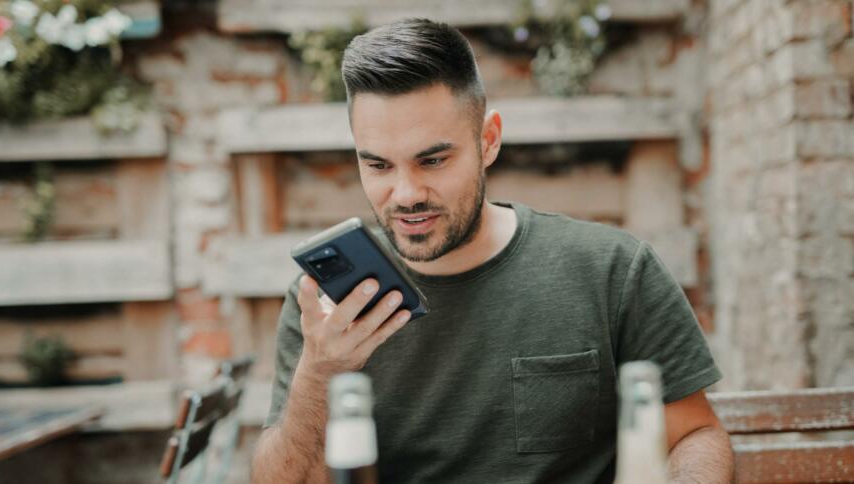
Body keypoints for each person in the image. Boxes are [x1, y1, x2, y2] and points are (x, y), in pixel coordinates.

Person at [252, 18, 734, 484]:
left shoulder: (612, 271)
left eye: (433, 160)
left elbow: (694, 434)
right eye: (378, 165)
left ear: (488, 140)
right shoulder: (325, 308)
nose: (405, 193)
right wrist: (318, 375)